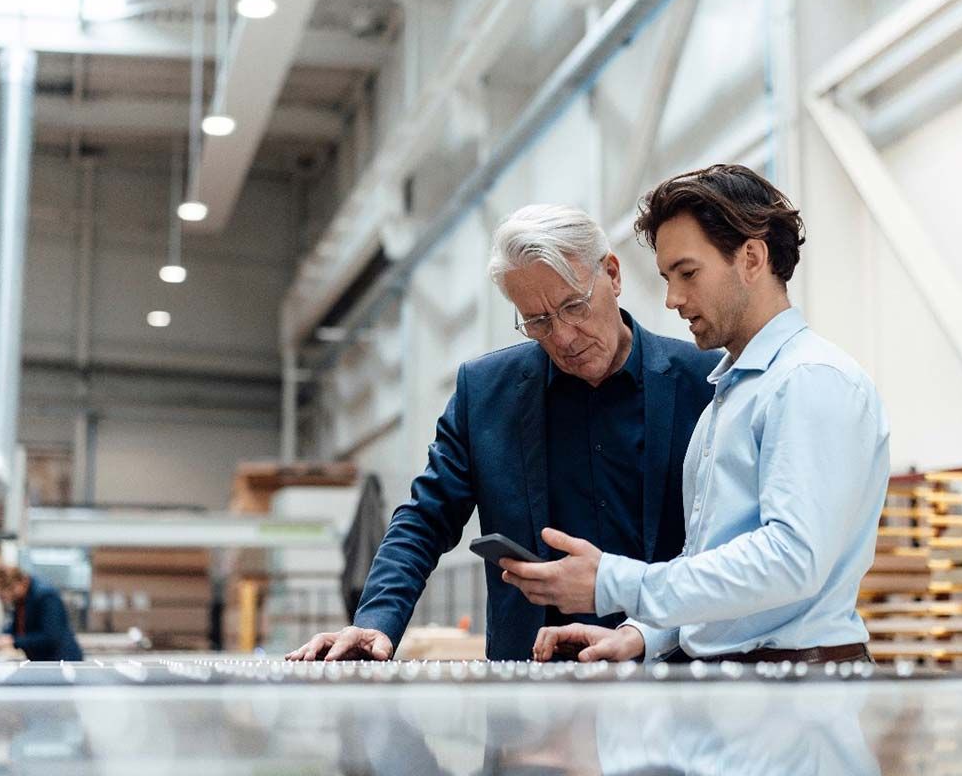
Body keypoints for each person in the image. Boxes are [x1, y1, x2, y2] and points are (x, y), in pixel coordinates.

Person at [286, 204, 720, 662]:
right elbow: (425, 518)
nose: (564, 337)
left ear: (612, 274)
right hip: (530, 690)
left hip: (670, 677)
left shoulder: (705, 382)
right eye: (537, 321)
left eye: (574, 306)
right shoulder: (487, 393)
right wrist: (374, 622)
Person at [504, 165, 890, 665]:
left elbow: (792, 560)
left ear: (751, 258)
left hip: (797, 684)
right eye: (668, 278)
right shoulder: (729, 399)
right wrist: (644, 634)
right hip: (746, 685)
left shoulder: (809, 380)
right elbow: (711, 569)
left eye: (687, 274)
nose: (673, 299)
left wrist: (616, 581)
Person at [0, 558, 84, 661]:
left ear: (16, 585)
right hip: (44, 660)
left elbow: (51, 637)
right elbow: (16, 628)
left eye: (3, 594)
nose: (3, 598)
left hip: (61, 659)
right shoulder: (21, 600)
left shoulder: (46, 596)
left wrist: (13, 641)